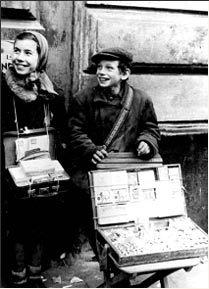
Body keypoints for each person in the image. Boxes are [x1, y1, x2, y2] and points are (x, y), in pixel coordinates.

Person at [67, 47, 161, 259]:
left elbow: (151, 128)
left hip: (128, 170)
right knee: (97, 218)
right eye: (99, 67)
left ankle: (128, 254)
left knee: (129, 219)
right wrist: (90, 149)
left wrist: (147, 142)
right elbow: (74, 131)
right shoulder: (83, 99)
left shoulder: (141, 99)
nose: (101, 72)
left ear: (124, 74)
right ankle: (105, 258)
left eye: (109, 68)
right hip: (96, 170)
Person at [1, 31, 68, 287]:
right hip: (8, 173)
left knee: (40, 220)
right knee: (15, 222)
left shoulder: (50, 95)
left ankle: (36, 271)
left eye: (28, 52)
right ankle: (17, 275)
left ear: (41, 57)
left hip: (42, 172)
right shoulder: (3, 91)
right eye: (16, 51)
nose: (19, 57)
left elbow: (61, 133)